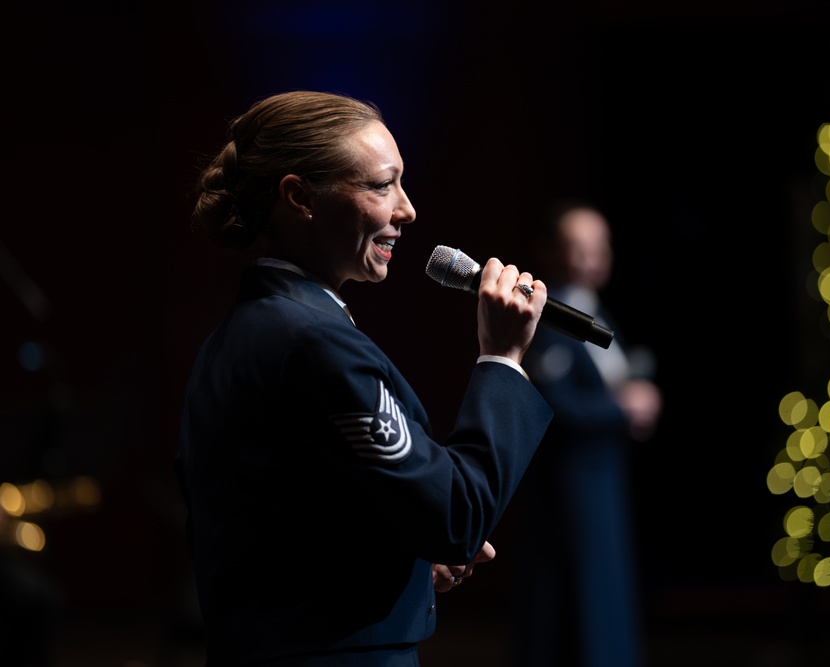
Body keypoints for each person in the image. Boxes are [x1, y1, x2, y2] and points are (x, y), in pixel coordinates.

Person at [174, 90, 553, 666]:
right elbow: (455, 516)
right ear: (299, 197)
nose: (407, 209)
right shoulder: (314, 342)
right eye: (381, 185)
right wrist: (501, 358)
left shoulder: (237, 337)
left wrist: (402, 559)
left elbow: (288, 524)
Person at [512, 200, 662, 667]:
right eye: (578, 247)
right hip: (569, 487)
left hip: (605, 481)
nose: (590, 258)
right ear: (552, 251)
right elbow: (558, 404)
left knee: (607, 597)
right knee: (575, 602)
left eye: (599, 247)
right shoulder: (549, 312)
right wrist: (623, 409)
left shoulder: (598, 310)